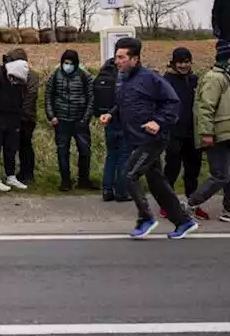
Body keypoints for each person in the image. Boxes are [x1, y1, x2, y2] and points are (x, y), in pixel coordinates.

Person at [103, 37, 197, 239]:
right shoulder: (122, 78)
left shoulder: (151, 79)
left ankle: (146, 218)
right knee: (157, 182)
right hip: (134, 138)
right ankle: (183, 221)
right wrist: (111, 114)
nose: (117, 61)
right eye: (116, 57)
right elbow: (124, 104)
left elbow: (172, 102)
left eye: (121, 57)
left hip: (152, 138)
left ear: (135, 58)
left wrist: (158, 121)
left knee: (129, 174)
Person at [185, 43, 230, 223]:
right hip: (218, 134)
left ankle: (229, 209)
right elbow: (205, 107)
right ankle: (190, 204)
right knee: (221, 175)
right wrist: (207, 132)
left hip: (229, 133)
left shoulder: (229, 77)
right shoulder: (214, 78)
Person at [162, 47, 205, 219]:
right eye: (180, 62)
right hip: (174, 132)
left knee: (193, 171)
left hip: (193, 132)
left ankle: (193, 203)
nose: (183, 65)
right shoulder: (166, 81)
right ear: (173, 63)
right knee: (171, 170)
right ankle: (167, 204)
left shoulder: (195, 80)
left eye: (187, 62)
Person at [45, 49, 95, 191]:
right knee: (62, 152)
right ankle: (65, 181)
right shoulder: (54, 75)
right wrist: (51, 116)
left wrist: (85, 119)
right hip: (61, 120)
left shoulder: (85, 76)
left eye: (71, 63)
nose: (68, 66)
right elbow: (49, 96)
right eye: (65, 63)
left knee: (85, 151)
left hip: (79, 120)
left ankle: (84, 180)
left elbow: (91, 98)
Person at [0, 53, 29, 192]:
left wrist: (18, 114)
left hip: (13, 117)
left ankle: (11, 175)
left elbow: (21, 96)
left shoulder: (19, 79)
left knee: (11, 148)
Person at [94, 55, 129, 202]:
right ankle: (121, 192)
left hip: (107, 122)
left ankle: (107, 190)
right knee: (123, 157)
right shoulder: (120, 80)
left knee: (111, 156)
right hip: (122, 121)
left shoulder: (100, 78)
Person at [14, 48, 42, 185]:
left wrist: (20, 112)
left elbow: (30, 96)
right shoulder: (23, 74)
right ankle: (23, 172)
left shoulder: (30, 75)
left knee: (25, 145)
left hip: (26, 117)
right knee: (21, 145)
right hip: (22, 115)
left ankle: (28, 173)